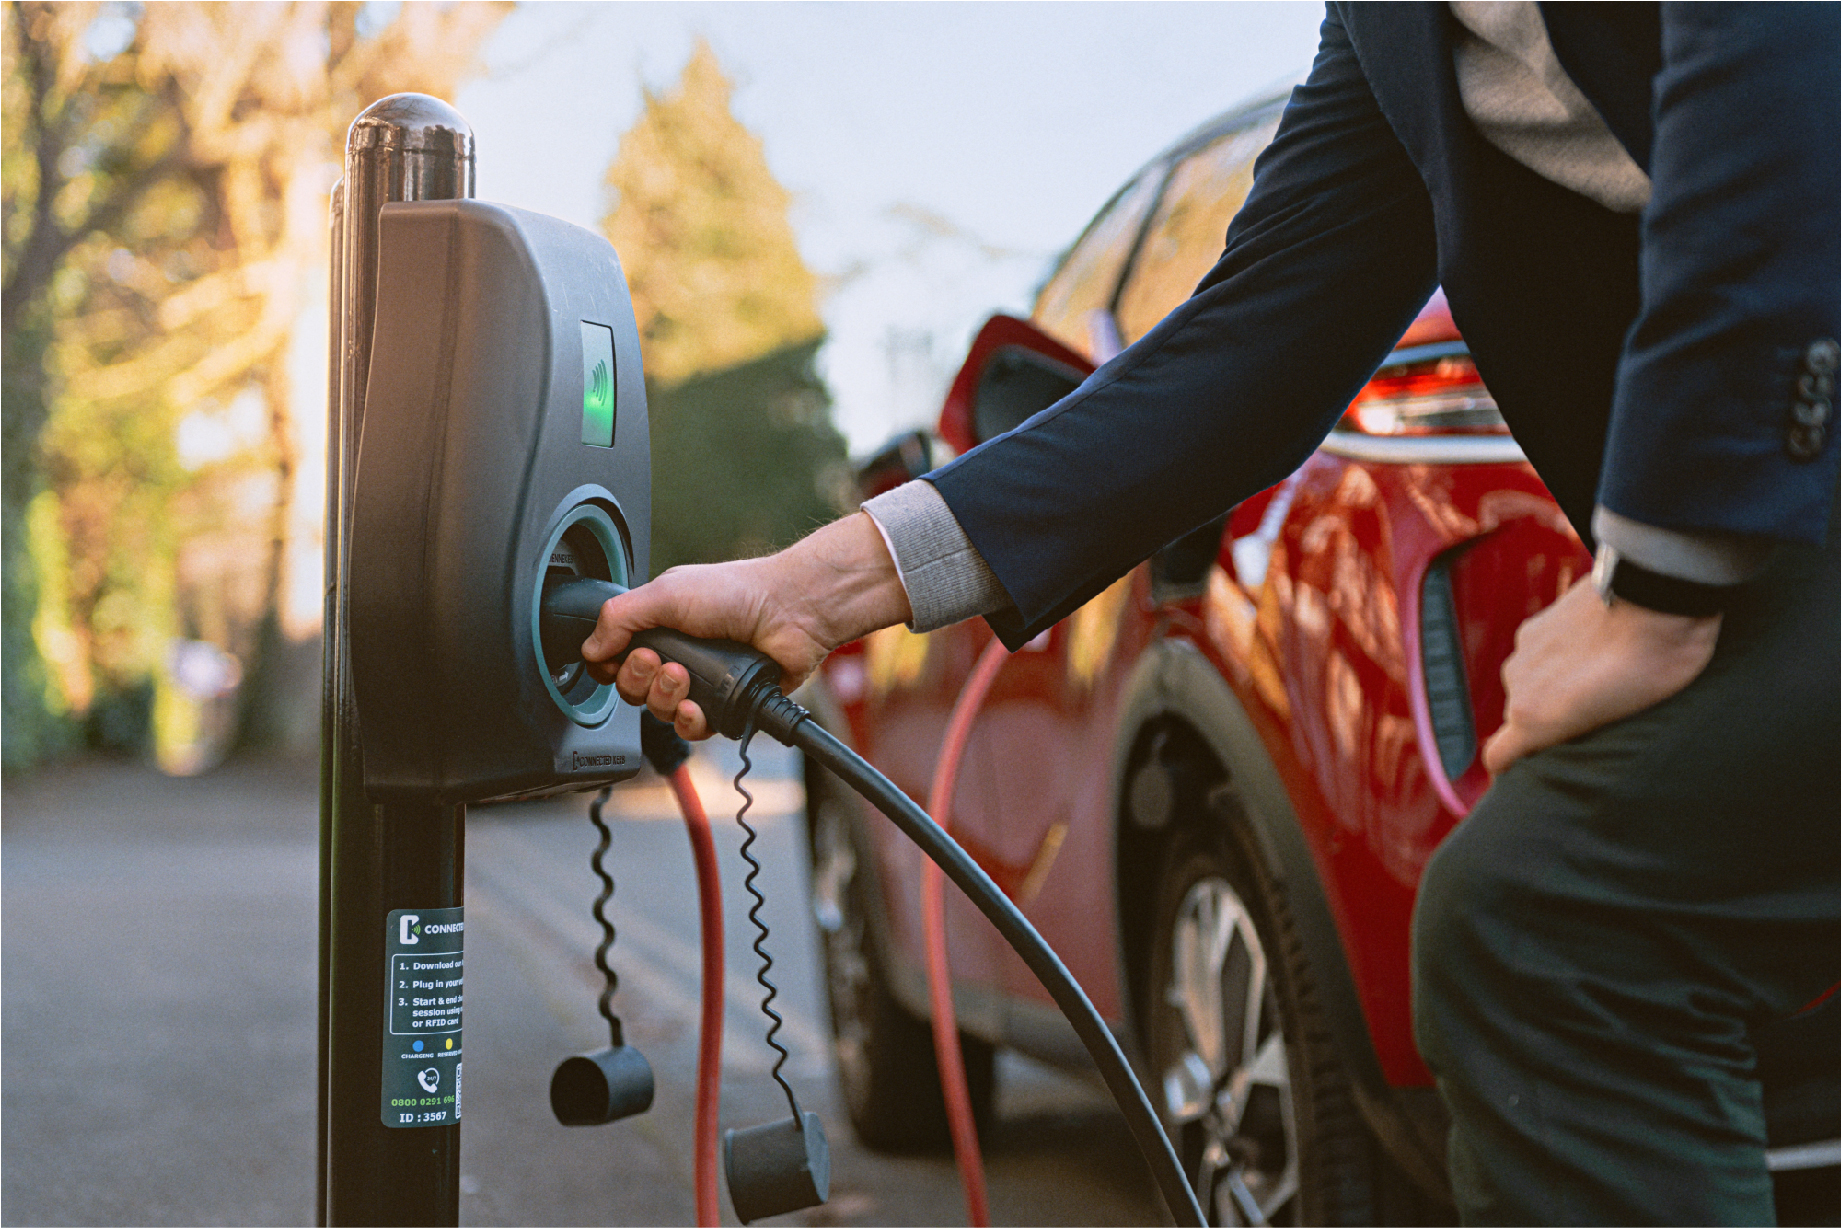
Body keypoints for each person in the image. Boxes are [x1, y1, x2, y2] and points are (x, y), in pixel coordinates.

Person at [583, 5, 1841, 1222]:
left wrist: (1657, 581)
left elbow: (1778, 65)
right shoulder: (1387, 26)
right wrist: (803, 587)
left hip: (1767, 508)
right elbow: (1248, 342)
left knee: (1558, 934)